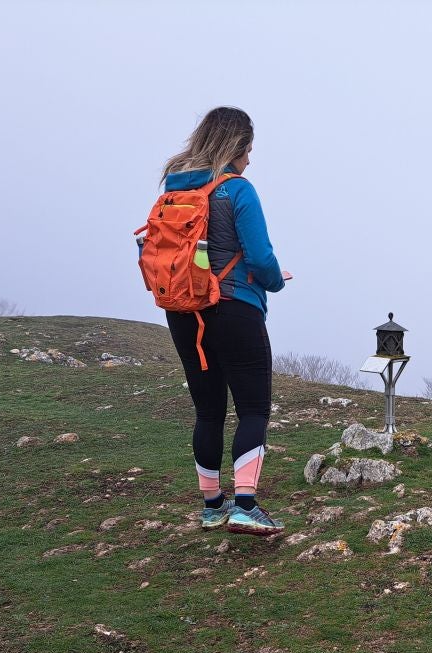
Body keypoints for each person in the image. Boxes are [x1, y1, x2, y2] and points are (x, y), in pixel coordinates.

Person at [160, 106, 291, 536]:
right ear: (235, 147)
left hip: (184, 312)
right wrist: (276, 280)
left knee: (208, 411)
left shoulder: (173, 189)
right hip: (235, 308)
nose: (250, 159)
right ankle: (246, 506)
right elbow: (259, 257)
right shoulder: (237, 190)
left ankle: (213, 506)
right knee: (253, 408)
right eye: (248, 149)